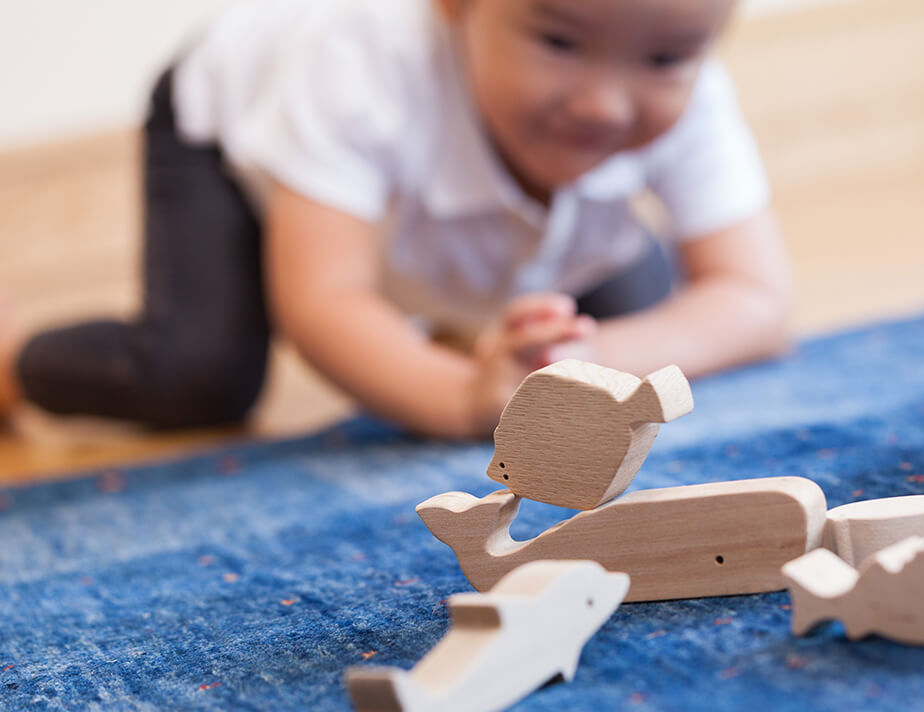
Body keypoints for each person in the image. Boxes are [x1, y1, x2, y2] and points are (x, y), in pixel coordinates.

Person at [0, 0, 793, 440]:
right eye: (557, 38)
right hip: (235, 131)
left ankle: (481, 335)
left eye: (667, 60)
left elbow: (757, 299)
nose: (603, 103)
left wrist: (591, 356)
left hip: (480, 211)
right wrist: (463, 399)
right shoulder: (356, 71)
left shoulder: (684, 94)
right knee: (198, 374)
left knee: (624, 316)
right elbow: (324, 301)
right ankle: (12, 355)